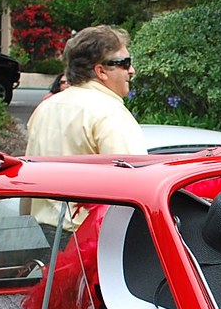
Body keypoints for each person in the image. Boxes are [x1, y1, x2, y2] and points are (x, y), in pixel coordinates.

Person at [26, 25, 147, 236]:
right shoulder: (109, 113)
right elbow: (137, 185)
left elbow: (27, 175)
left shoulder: (46, 107)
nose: (132, 70)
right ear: (101, 71)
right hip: (88, 241)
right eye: (125, 63)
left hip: (42, 233)